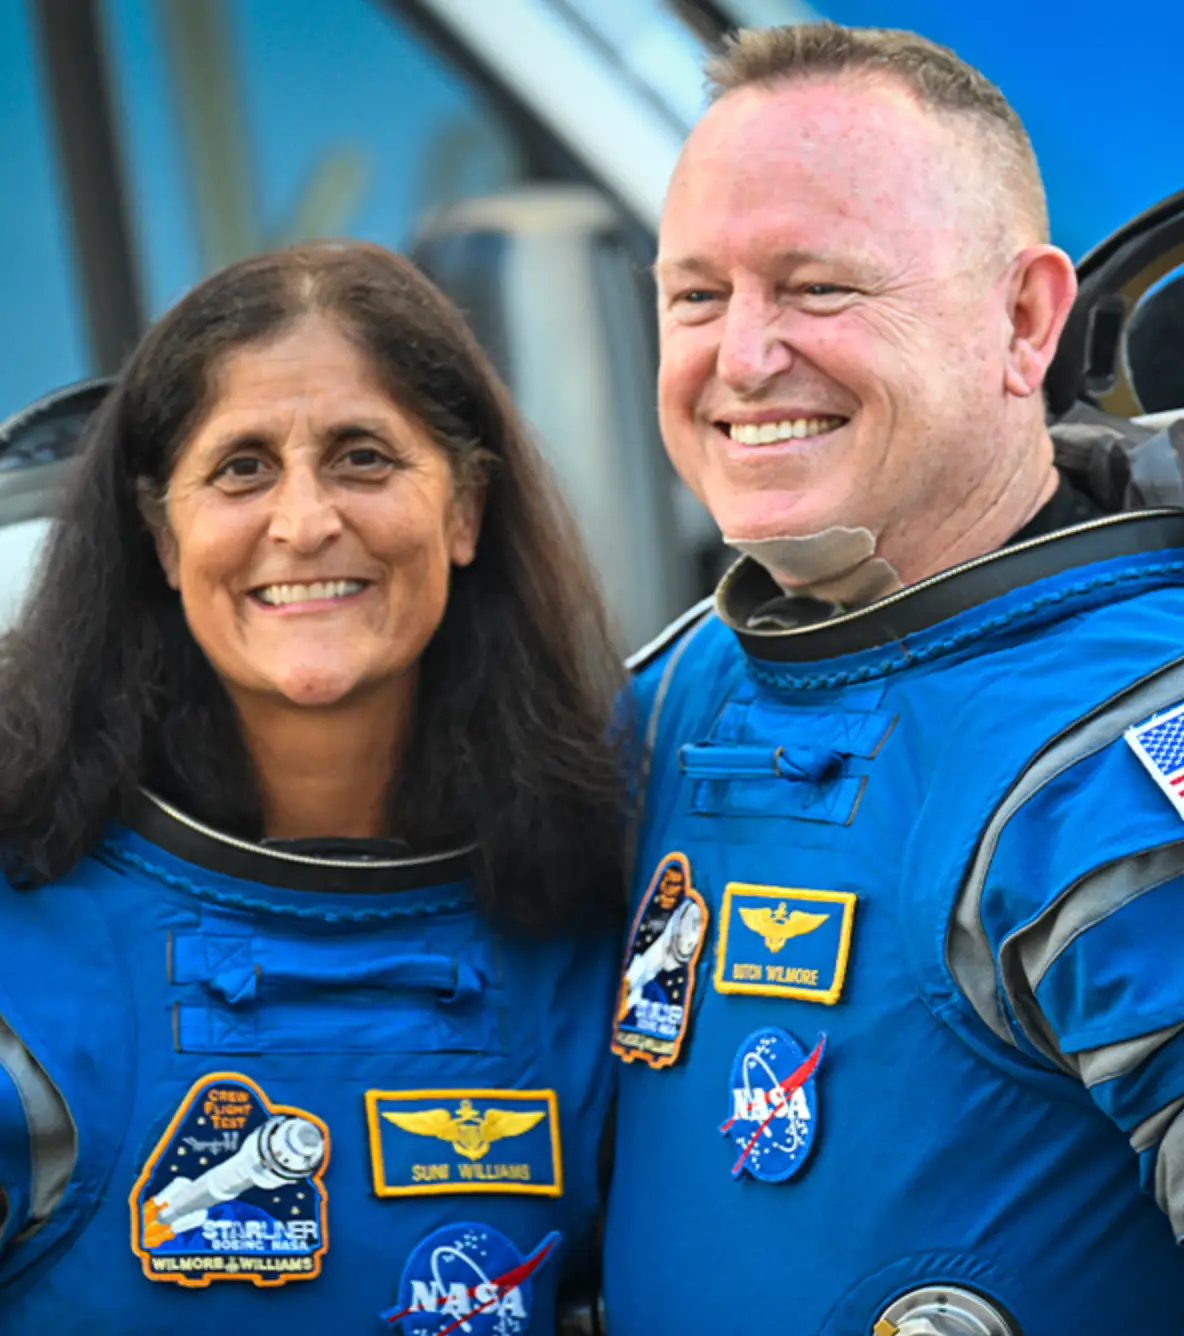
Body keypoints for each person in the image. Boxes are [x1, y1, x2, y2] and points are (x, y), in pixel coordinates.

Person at [603, 22, 1184, 1335]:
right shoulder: (688, 683)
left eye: (818, 288)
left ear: (1023, 320)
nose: (742, 356)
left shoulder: (1123, 756)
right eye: (696, 297)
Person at [0, 242, 624, 1334]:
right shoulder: (23, 923)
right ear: (162, 535)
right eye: (242, 468)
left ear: (467, 509)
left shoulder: (593, 910)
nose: (302, 523)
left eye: (362, 459)